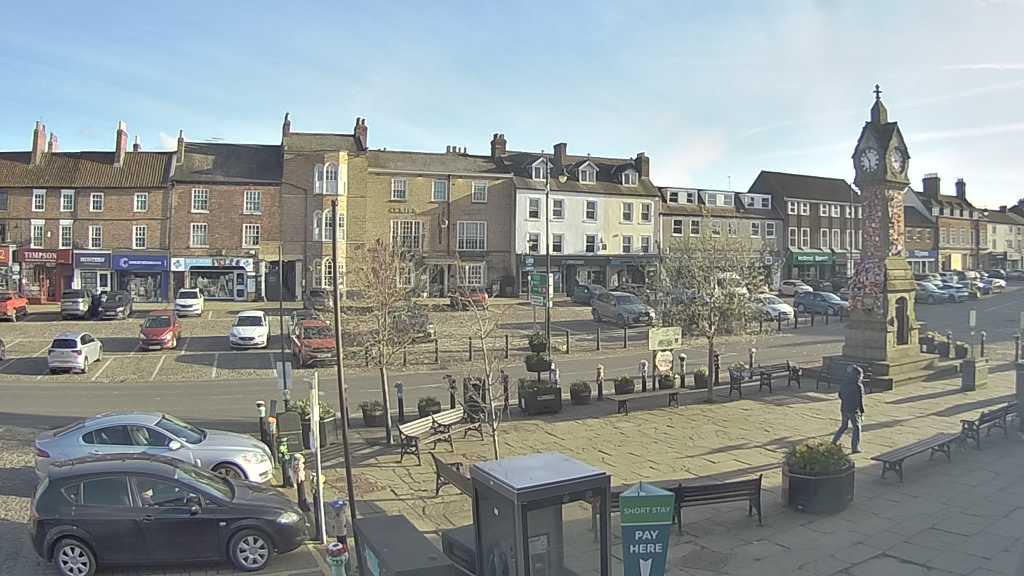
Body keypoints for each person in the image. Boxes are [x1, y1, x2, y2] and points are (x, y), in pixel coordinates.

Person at [831, 364, 865, 453]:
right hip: (853, 410)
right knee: (856, 428)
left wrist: (846, 400)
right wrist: (861, 412)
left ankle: (834, 442)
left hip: (844, 407)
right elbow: (859, 400)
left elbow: (840, 395)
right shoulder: (858, 386)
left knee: (844, 426)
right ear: (858, 375)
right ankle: (855, 448)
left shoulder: (845, 382)